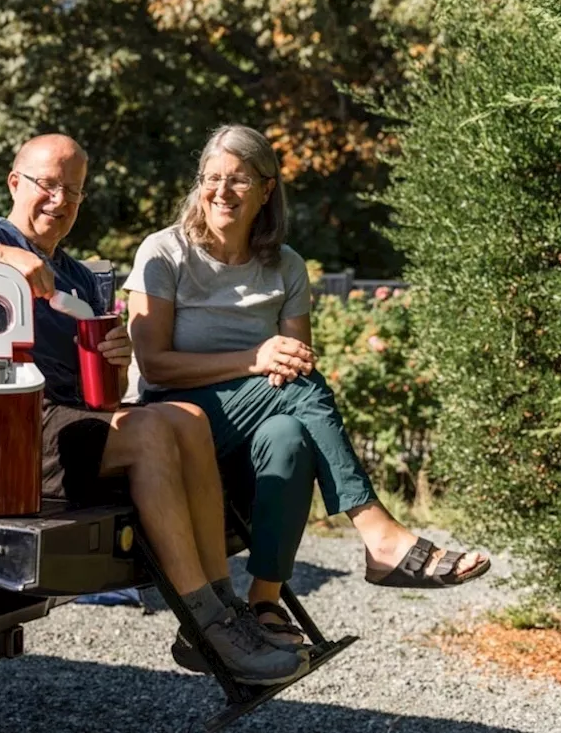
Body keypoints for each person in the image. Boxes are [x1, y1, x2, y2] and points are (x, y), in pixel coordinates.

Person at [0, 133, 307, 685]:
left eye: (73, 192)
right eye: (47, 185)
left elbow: (102, 396)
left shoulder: (78, 277)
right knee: (152, 433)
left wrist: (117, 359)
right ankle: (207, 625)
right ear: (15, 182)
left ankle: (223, 610)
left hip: (67, 425)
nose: (59, 201)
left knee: (188, 419)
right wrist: (6, 259)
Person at [124, 124, 491, 646]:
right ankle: (378, 532)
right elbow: (154, 365)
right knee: (297, 387)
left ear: (267, 188)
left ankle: (264, 601)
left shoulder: (286, 264)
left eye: (239, 180)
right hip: (175, 417)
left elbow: (297, 363)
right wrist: (254, 358)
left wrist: (268, 363)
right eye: (212, 178)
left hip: (250, 424)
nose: (222, 192)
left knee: (289, 436)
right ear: (199, 183)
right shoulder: (165, 252)